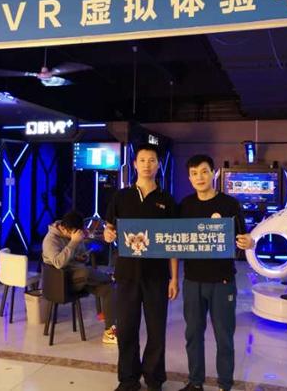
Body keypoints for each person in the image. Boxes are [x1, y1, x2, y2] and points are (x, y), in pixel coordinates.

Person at [103, 144, 179, 391]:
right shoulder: (121, 197)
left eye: (152, 160)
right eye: (143, 160)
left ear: (158, 165)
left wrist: (174, 278)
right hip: (126, 274)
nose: (147, 164)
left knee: (157, 331)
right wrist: (107, 234)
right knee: (126, 329)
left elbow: (173, 243)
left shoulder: (167, 200)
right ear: (135, 164)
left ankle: (154, 379)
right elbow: (109, 229)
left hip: (157, 276)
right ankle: (128, 379)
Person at [177, 154, 252, 391]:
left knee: (224, 337)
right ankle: (195, 382)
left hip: (222, 280)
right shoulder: (185, 205)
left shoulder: (230, 204)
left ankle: (224, 385)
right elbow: (174, 239)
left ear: (213, 173)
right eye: (194, 173)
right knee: (193, 335)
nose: (199, 177)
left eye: (204, 171)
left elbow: (243, 237)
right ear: (189, 178)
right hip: (192, 280)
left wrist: (248, 242)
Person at [42, 210, 117, 344]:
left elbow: (79, 255)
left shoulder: (75, 234)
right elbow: (58, 263)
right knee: (86, 272)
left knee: (108, 289)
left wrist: (82, 256)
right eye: (74, 233)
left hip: (78, 276)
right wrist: (73, 242)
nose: (77, 235)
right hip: (62, 281)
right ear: (64, 229)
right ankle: (108, 277)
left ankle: (109, 331)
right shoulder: (50, 240)